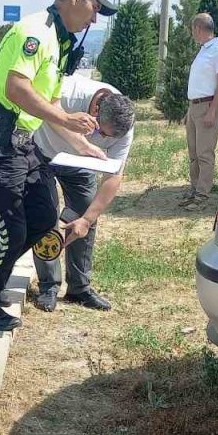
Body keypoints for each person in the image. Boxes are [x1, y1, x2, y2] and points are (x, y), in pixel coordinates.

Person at [0, 0, 115, 331]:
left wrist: (83, 145)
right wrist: (65, 117)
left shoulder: (61, 43)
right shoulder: (36, 32)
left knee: (45, 218)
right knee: (9, 232)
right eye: (95, 8)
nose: (95, 19)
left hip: (22, 145)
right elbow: (17, 89)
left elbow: (50, 104)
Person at [31, 75, 134, 312]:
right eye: (104, 134)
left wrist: (87, 219)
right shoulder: (69, 92)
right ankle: (48, 285)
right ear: (95, 110)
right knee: (45, 216)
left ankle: (79, 288)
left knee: (88, 211)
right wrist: (81, 143)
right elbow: (42, 108)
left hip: (80, 164)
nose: (105, 140)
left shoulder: (124, 124)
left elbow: (114, 175)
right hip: (43, 153)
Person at [181, 13, 218, 211]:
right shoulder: (203, 51)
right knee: (193, 153)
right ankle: (194, 189)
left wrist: (212, 110)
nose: (193, 34)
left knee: (204, 153)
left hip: (208, 106)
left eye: (193, 30)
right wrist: (190, 110)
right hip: (195, 106)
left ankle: (202, 194)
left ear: (198, 28)